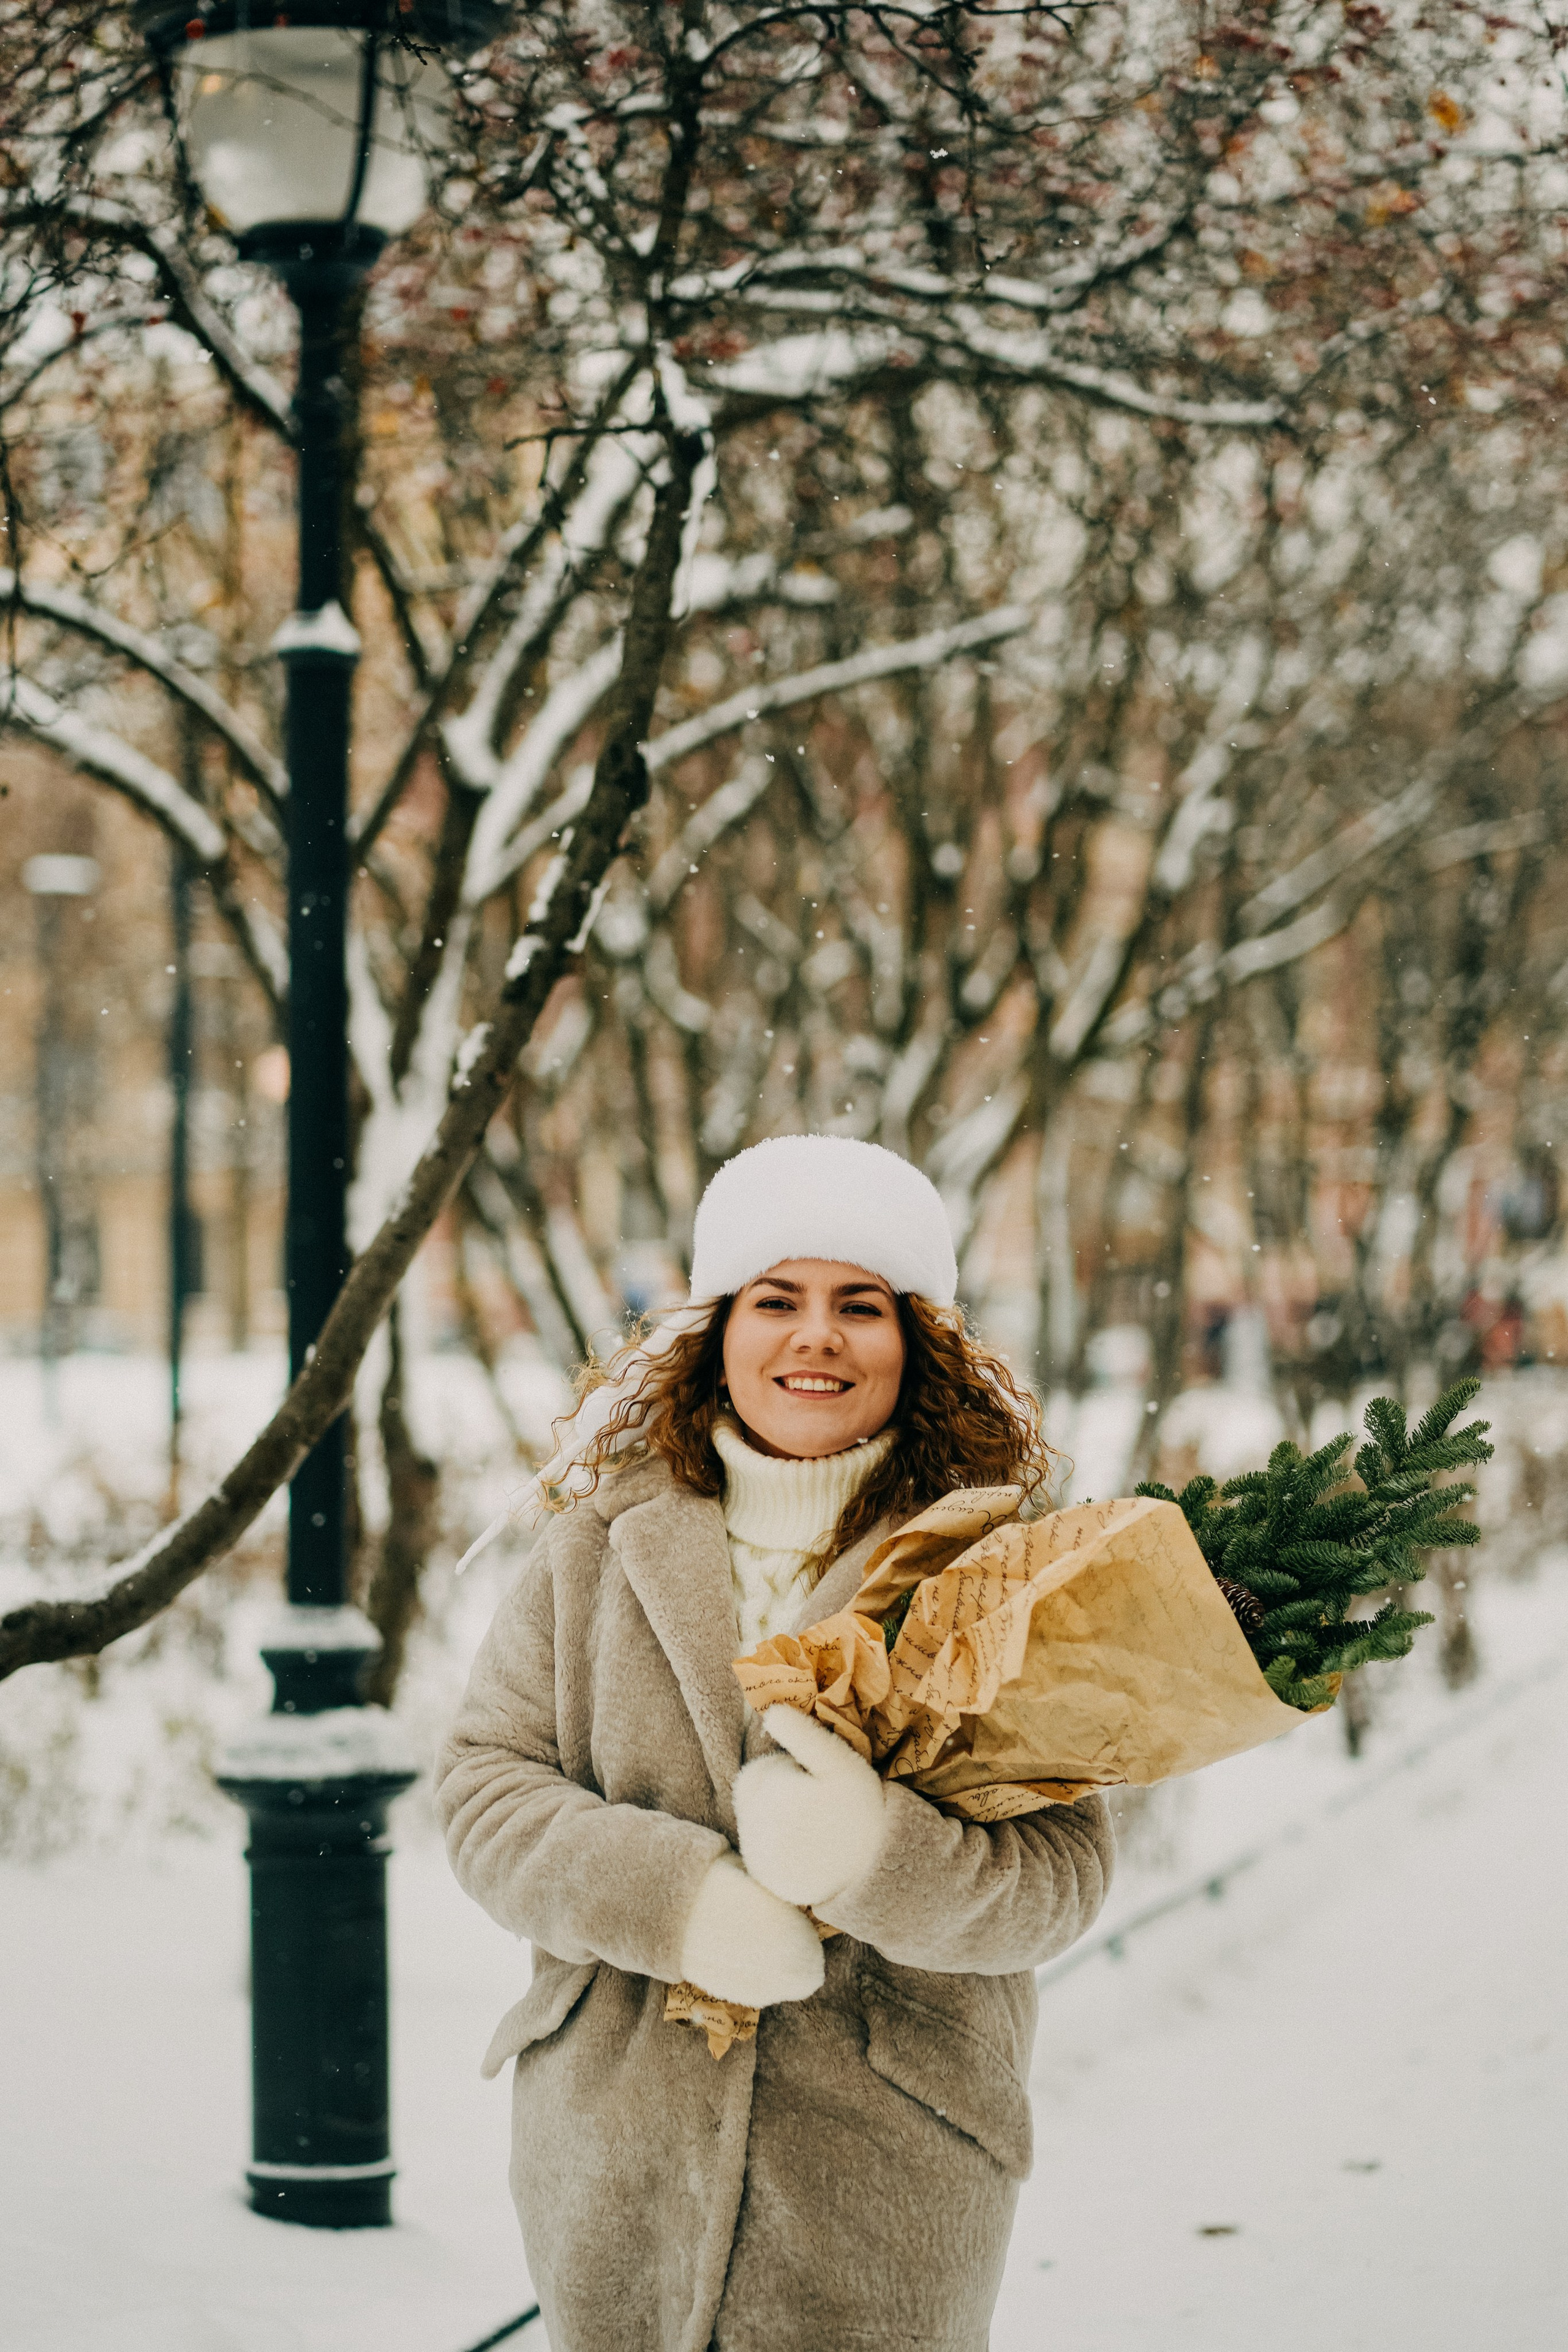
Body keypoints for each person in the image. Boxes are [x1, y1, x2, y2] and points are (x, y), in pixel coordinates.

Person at [435, 1136, 1114, 2352]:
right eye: (776, 1301)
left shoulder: (994, 1569)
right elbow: (487, 1792)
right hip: (613, 2176)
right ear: (716, 1331)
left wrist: (875, 1856)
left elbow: (1059, 1876)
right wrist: (676, 1900)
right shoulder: (592, 1546)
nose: (816, 1337)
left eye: (860, 1305)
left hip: (887, 2184)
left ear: (917, 1343)